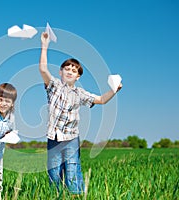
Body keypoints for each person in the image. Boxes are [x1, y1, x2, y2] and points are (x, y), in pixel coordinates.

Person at [39, 32, 122, 195]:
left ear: (78, 76)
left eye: (74, 70)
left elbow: (101, 100)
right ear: (61, 72)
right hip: (53, 137)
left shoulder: (80, 93)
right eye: (67, 68)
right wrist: (44, 45)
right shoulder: (53, 86)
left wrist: (114, 90)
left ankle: (75, 196)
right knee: (54, 173)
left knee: (71, 172)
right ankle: (56, 196)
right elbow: (42, 69)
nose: (70, 71)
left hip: (71, 138)